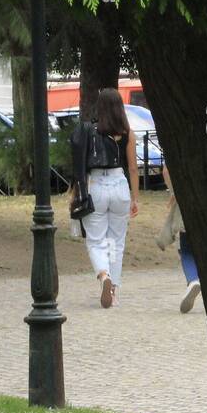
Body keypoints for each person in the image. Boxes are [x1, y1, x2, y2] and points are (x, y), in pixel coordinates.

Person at [71, 88, 139, 308]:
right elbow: (133, 169)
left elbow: (81, 163)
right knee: (116, 241)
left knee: (96, 239)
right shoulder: (128, 132)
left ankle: (103, 275)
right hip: (120, 186)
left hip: (97, 185)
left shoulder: (91, 131)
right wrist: (135, 198)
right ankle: (114, 288)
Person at [159, 163, 201, 313]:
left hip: (187, 200)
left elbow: (167, 170)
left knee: (187, 250)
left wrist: (174, 191)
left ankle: (193, 280)